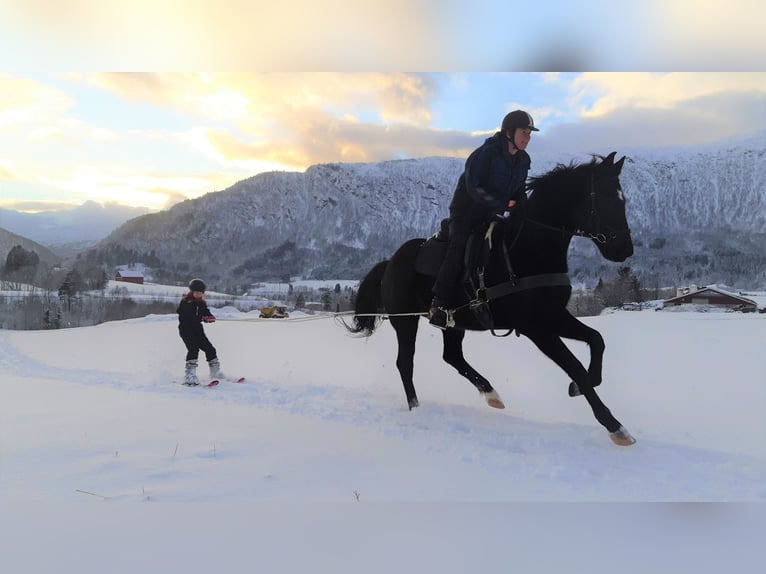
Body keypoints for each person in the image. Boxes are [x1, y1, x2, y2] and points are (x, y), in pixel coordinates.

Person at [430, 109, 539, 329]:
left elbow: (518, 192)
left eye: (529, 134)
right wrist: (500, 204)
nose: (527, 138)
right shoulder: (486, 153)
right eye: (523, 132)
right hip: (466, 213)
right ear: (509, 133)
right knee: (459, 246)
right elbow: (473, 186)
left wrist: (524, 209)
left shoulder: (523, 160)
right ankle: (439, 305)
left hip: (492, 215)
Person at [177, 278, 225, 385]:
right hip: (186, 330)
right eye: (196, 292)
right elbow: (185, 315)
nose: (198, 294)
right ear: (192, 291)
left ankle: (215, 373)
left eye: (200, 293)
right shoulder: (186, 302)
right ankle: (189, 375)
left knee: (210, 349)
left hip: (198, 330)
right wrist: (201, 318)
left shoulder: (202, 303)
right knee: (193, 349)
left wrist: (210, 317)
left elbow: (206, 312)